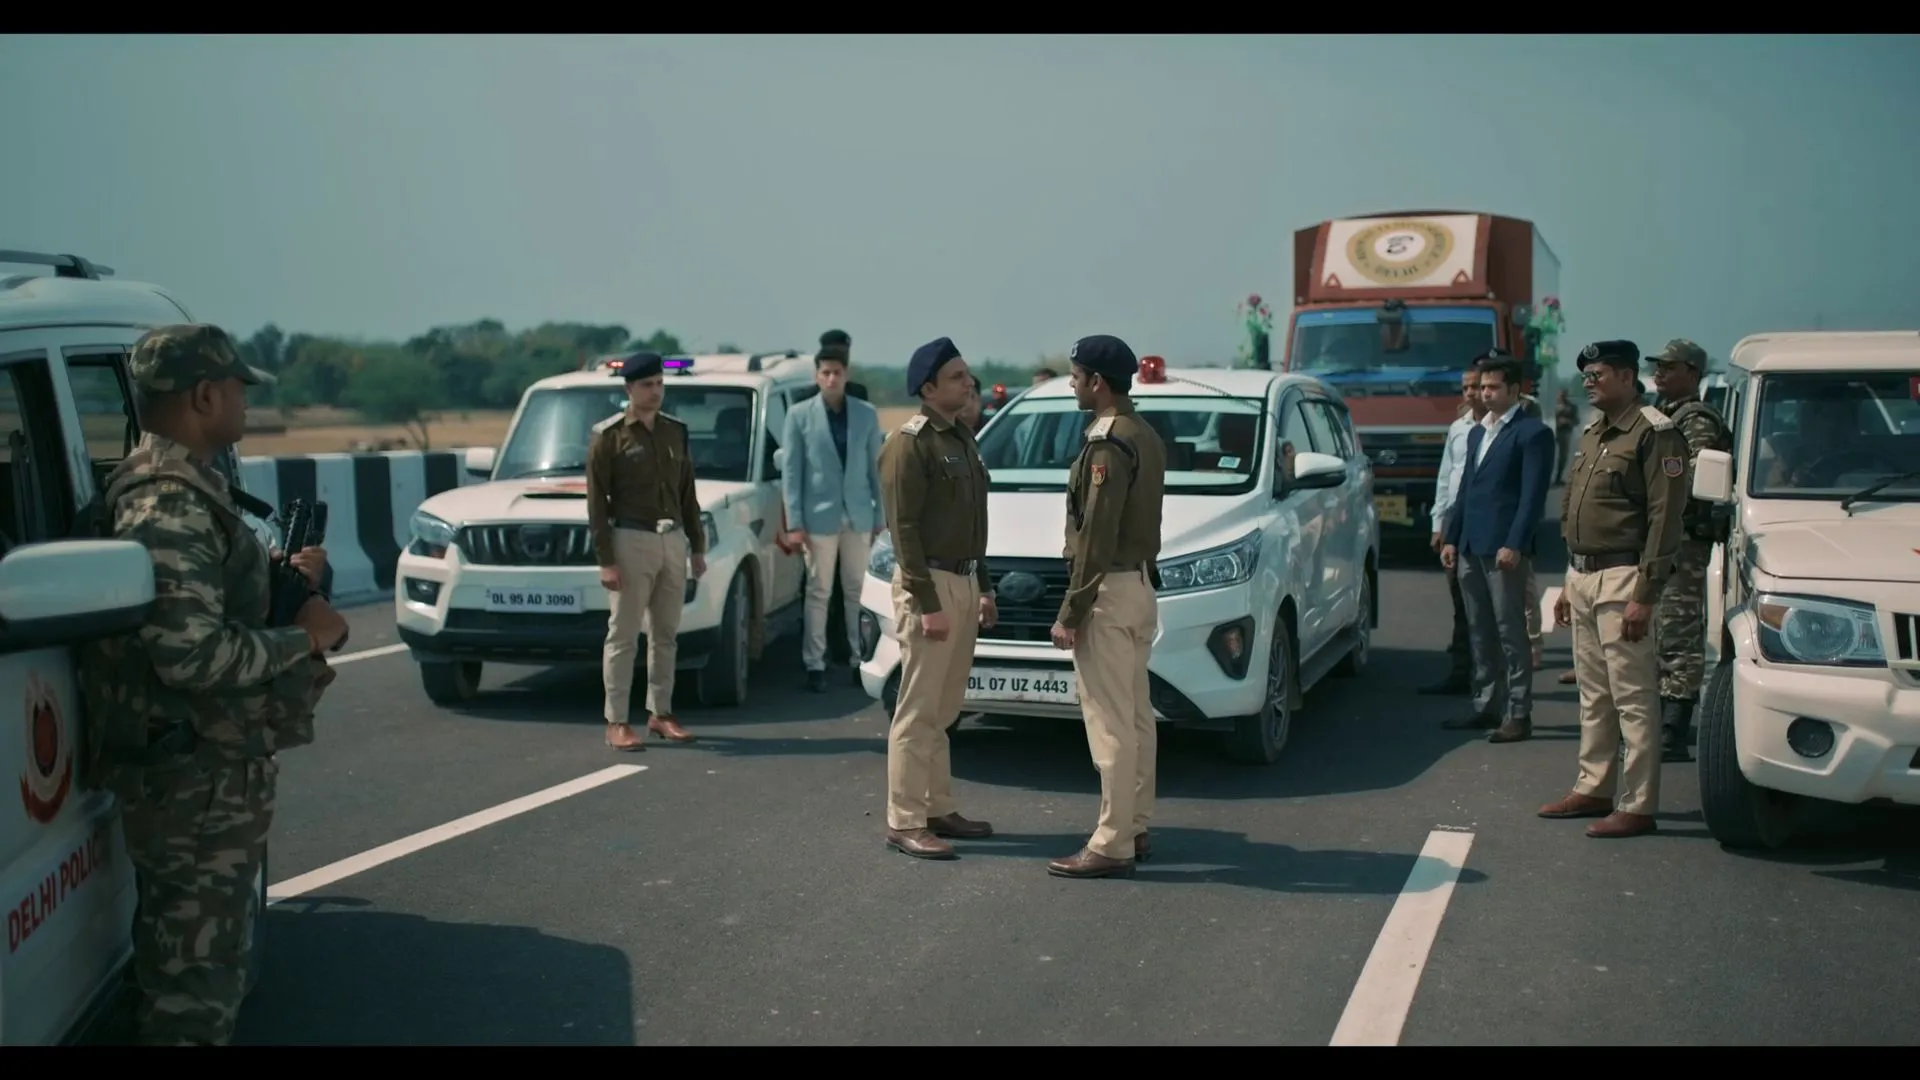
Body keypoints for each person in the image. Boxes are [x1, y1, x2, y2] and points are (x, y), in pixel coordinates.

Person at [77, 323, 349, 1045]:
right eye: (236, 389)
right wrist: (305, 636)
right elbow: (190, 655)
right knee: (194, 991)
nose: (245, 403)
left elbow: (197, 607)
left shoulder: (187, 489)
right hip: (192, 779)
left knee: (194, 964)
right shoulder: (166, 504)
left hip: (201, 772)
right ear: (203, 395)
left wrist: (280, 580)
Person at [1539, 340, 1691, 839]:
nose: (1588, 382)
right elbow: (1573, 509)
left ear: (1627, 377)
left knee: (1633, 698)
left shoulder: (1654, 434)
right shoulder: (1593, 433)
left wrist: (1644, 595)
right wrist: (1569, 580)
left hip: (1624, 578)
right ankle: (1594, 786)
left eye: (1598, 374)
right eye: (1585, 375)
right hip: (1584, 576)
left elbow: (1665, 519)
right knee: (1593, 694)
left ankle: (1638, 803)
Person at [1046, 335, 1168, 879]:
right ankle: (1134, 825)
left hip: (1108, 593)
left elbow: (1095, 536)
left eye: (1076, 377)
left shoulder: (1107, 443)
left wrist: (1071, 612)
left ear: (1097, 382)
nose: (1072, 385)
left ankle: (1112, 842)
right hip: (1137, 585)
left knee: (1110, 724)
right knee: (1136, 717)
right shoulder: (1144, 434)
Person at [877, 337, 997, 859]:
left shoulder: (962, 438)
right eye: (956, 377)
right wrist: (928, 603)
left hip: (963, 582)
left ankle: (936, 806)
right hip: (931, 583)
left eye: (967, 375)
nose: (968, 383)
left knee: (945, 708)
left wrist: (984, 585)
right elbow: (903, 530)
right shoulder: (910, 443)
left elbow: (974, 523)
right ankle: (904, 819)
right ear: (928, 389)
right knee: (918, 708)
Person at [587, 351, 707, 750]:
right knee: (623, 634)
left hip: (671, 539)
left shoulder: (675, 431)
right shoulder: (610, 436)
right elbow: (597, 504)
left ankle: (661, 712)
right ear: (629, 389)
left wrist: (697, 546)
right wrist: (606, 560)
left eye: (659, 383)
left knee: (666, 633)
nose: (655, 392)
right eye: (646, 385)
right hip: (631, 539)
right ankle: (617, 720)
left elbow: (687, 492)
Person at [1441, 352, 1557, 743]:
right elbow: (1465, 490)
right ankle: (1486, 703)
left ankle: (1519, 712)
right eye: (1482, 387)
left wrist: (1516, 543)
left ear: (1514, 390)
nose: (1485, 394)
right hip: (1470, 545)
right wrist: (1452, 537)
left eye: (1493, 387)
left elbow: (1532, 496)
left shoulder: (1532, 433)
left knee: (1510, 630)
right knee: (1479, 629)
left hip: (1503, 548)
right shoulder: (1477, 433)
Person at [1646, 338, 1732, 762]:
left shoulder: (1695, 419)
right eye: (1658, 366)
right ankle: (1658, 719)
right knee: (1656, 630)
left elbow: (1694, 476)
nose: (1659, 373)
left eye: (1669, 366)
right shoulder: (1661, 414)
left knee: (1678, 631)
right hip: (1659, 539)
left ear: (1692, 374)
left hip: (1683, 542)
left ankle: (1673, 729)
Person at [781, 339, 885, 691]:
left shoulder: (865, 414)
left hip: (858, 514)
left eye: (837, 373)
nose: (831, 379)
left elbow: (876, 470)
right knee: (819, 591)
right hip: (817, 518)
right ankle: (815, 663)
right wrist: (794, 523)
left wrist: (880, 517)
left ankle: (859, 658)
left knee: (857, 590)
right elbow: (792, 473)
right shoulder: (799, 415)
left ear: (846, 374)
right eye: (825, 373)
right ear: (817, 375)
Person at [1422, 365, 1485, 696]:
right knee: (1461, 603)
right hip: (1454, 524)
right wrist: (1438, 524)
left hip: (1486, 525)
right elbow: (1445, 477)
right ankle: (1462, 672)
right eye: (1466, 387)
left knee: (1490, 606)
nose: (1471, 393)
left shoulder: (1503, 429)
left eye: (1477, 386)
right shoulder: (1458, 429)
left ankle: (1493, 678)